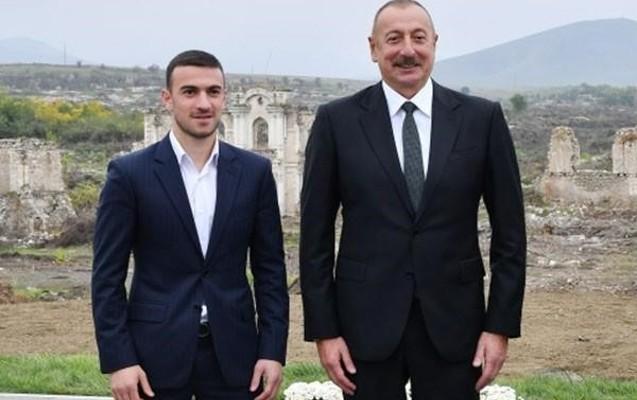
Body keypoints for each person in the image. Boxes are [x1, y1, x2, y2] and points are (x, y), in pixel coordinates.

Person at [299, 1, 526, 399]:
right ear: (373, 48)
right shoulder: (336, 121)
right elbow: (314, 237)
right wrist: (325, 331)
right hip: (364, 327)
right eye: (393, 39)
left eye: (418, 38)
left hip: (456, 325)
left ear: (434, 43)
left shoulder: (481, 119)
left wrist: (499, 326)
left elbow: (510, 234)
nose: (407, 50)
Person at [92, 50, 288, 400]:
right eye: (190, 92)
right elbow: (107, 277)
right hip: (153, 358)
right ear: (167, 98)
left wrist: (272, 351)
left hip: (236, 357)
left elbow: (270, 270)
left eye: (213, 91)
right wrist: (119, 360)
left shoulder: (254, 173)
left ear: (224, 97)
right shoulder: (129, 174)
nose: (203, 103)